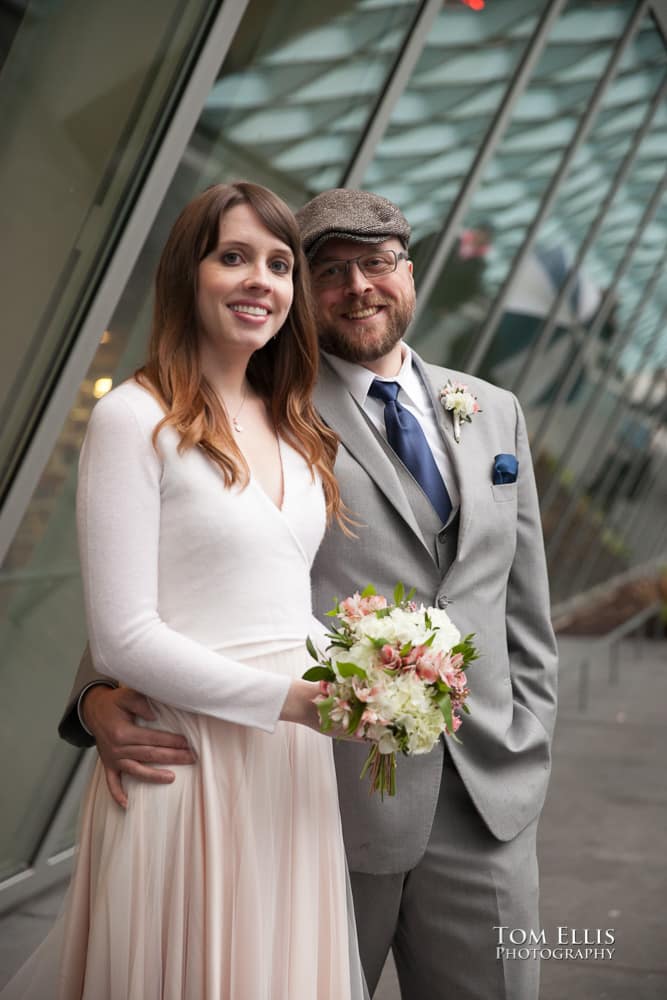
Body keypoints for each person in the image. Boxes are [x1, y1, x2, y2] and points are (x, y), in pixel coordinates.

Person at [59, 189, 558, 1000]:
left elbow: (526, 608)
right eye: (329, 270)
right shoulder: (278, 402)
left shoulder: (493, 413)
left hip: (487, 799)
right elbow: (190, 567)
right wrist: (96, 696)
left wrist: (529, 742)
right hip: (324, 792)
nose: (358, 286)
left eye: (378, 263)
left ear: (409, 271)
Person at [5, 183, 368, 1000]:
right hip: (186, 761)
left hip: (289, 769)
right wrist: (295, 701)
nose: (259, 281)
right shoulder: (134, 418)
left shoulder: (298, 425)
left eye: (277, 264)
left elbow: (275, 601)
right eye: (232, 257)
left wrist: (374, 674)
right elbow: (126, 636)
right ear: (187, 275)